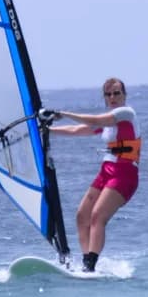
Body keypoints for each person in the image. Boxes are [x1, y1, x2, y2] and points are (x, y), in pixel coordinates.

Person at [46, 78, 141, 272]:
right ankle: (86, 260)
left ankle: (90, 265)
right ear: (104, 98)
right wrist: (46, 131)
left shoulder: (126, 114)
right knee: (82, 216)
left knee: (98, 216)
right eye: (108, 94)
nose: (112, 97)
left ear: (124, 96)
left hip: (125, 173)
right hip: (107, 171)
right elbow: (77, 130)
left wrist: (62, 114)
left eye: (116, 93)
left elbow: (96, 120)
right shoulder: (108, 121)